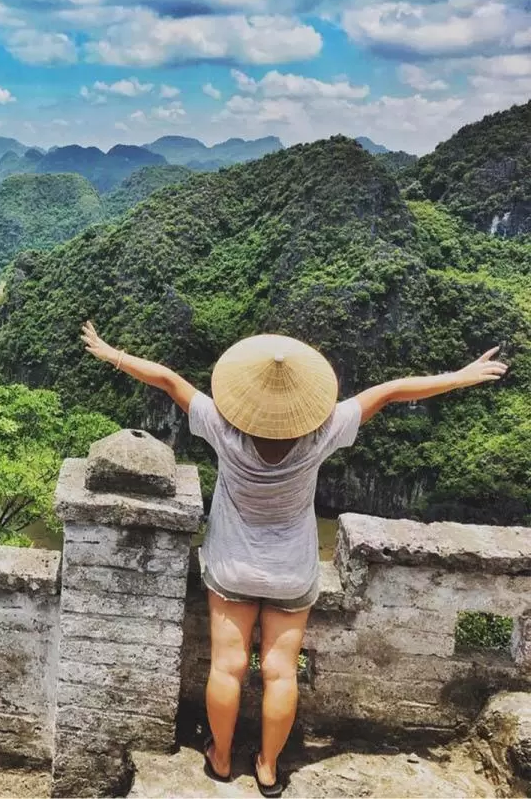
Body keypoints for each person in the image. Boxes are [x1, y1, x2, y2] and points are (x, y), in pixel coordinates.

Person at [79, 322, 508, 797]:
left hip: (231, 567)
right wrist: (461, 376)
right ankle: (267, 767)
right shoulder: (322, 434)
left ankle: (220, 758)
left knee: (228, 665)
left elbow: (167, 380)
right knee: (280, 669)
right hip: (291, 572)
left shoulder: (222, 428)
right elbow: (390, 392)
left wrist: (110, 353)